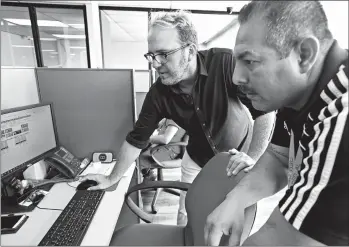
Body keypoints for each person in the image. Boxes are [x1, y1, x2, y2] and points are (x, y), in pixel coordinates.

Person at [80, 10, 275, 226]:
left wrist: (253, 159)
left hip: (237, 155)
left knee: (229, 218)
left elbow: (264, 112)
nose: (155, 63)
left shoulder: (224, 63)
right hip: (196, 157)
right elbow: (137, 139)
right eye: (151, 55)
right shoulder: (158, 94)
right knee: (185, 215)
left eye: (163, 54)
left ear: (190, 51)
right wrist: (110, 178)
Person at [204, 1, 348, 245]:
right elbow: (279, 158)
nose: (236, 77)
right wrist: (237, 199)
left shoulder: (340, 113)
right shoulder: (295, 95)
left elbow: (285, 240)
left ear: (304, 55)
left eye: (250, 61)